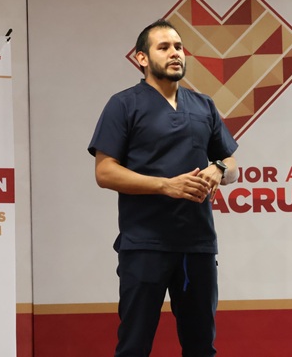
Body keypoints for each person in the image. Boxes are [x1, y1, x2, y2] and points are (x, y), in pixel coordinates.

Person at [88, 19, 239, 357]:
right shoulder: (123, 104)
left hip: (197, 245)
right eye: (164, 47)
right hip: (145, 244)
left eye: (179, 47)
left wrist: (218, 169)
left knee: (201, 347)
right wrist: (165, 185)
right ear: (142, 58)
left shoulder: (204, 105)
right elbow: (105, 172)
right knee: (134, 347)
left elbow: (231, 165)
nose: (175, 53)